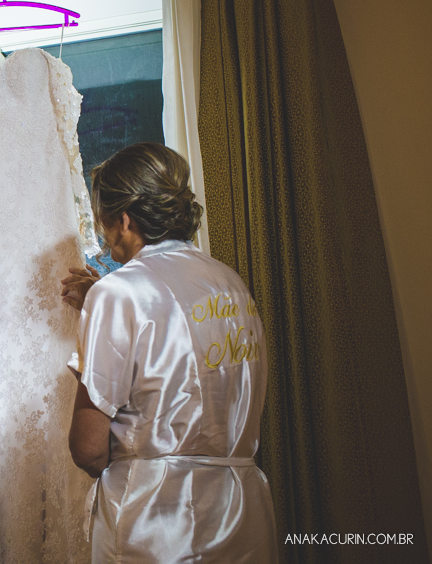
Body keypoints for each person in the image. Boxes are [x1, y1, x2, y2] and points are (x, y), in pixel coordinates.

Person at [60, 143, 278, 563]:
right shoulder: (229, 282)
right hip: (241, 511)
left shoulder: (117, 293)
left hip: (156, 520)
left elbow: (88, 450)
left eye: (104, 222)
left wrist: (102, 308)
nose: (105, 240)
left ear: (123, 220)